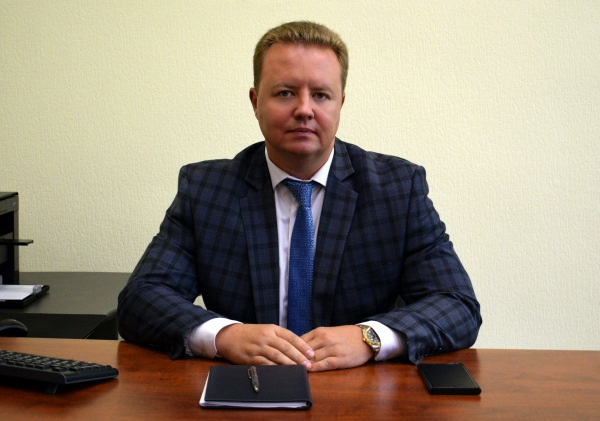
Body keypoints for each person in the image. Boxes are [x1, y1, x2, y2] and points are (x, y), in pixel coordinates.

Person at [117, 21, 481, 372]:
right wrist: (223, 336)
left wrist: (369, 337)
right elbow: (140, 299)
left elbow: (457, 304)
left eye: (320, 95)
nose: (304, 109)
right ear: (255, 101)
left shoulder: (398, 189)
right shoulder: (206, 189)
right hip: (247, 388)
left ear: (340, 103)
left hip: (359, 392)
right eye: (285, 93)